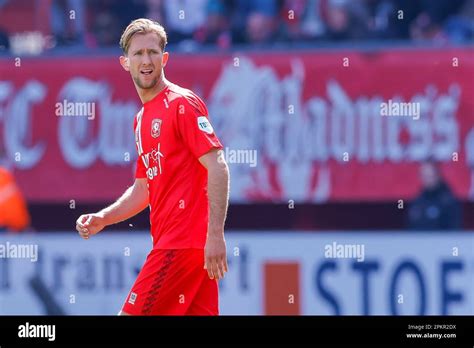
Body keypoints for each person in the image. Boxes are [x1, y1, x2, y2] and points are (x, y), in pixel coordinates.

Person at [75, 18, 230, 315]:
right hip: (190, 251)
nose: (146, 61)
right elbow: (143, 188)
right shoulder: (141, 119)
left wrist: (215, 235)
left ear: (165, 58)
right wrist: (103, 218)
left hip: (181, 245)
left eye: (153, 52)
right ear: (125, 62)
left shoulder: (181, 104)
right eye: (138, 54)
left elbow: (218, 166)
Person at [407, 159, 462, 230]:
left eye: (430, 176)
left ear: (437, 176)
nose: (427, 180)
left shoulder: (448, 202)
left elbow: (453, 231)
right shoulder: (416, 202)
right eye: (424, 176)